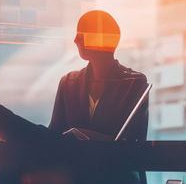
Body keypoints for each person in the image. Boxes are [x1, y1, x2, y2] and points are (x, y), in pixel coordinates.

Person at [49, 10, 149, 141]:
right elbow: (53, 135)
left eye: (81, 34)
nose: (75, 40)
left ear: (98, 39)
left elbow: (135, 142)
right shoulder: (68, 83)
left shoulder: (134, 83)